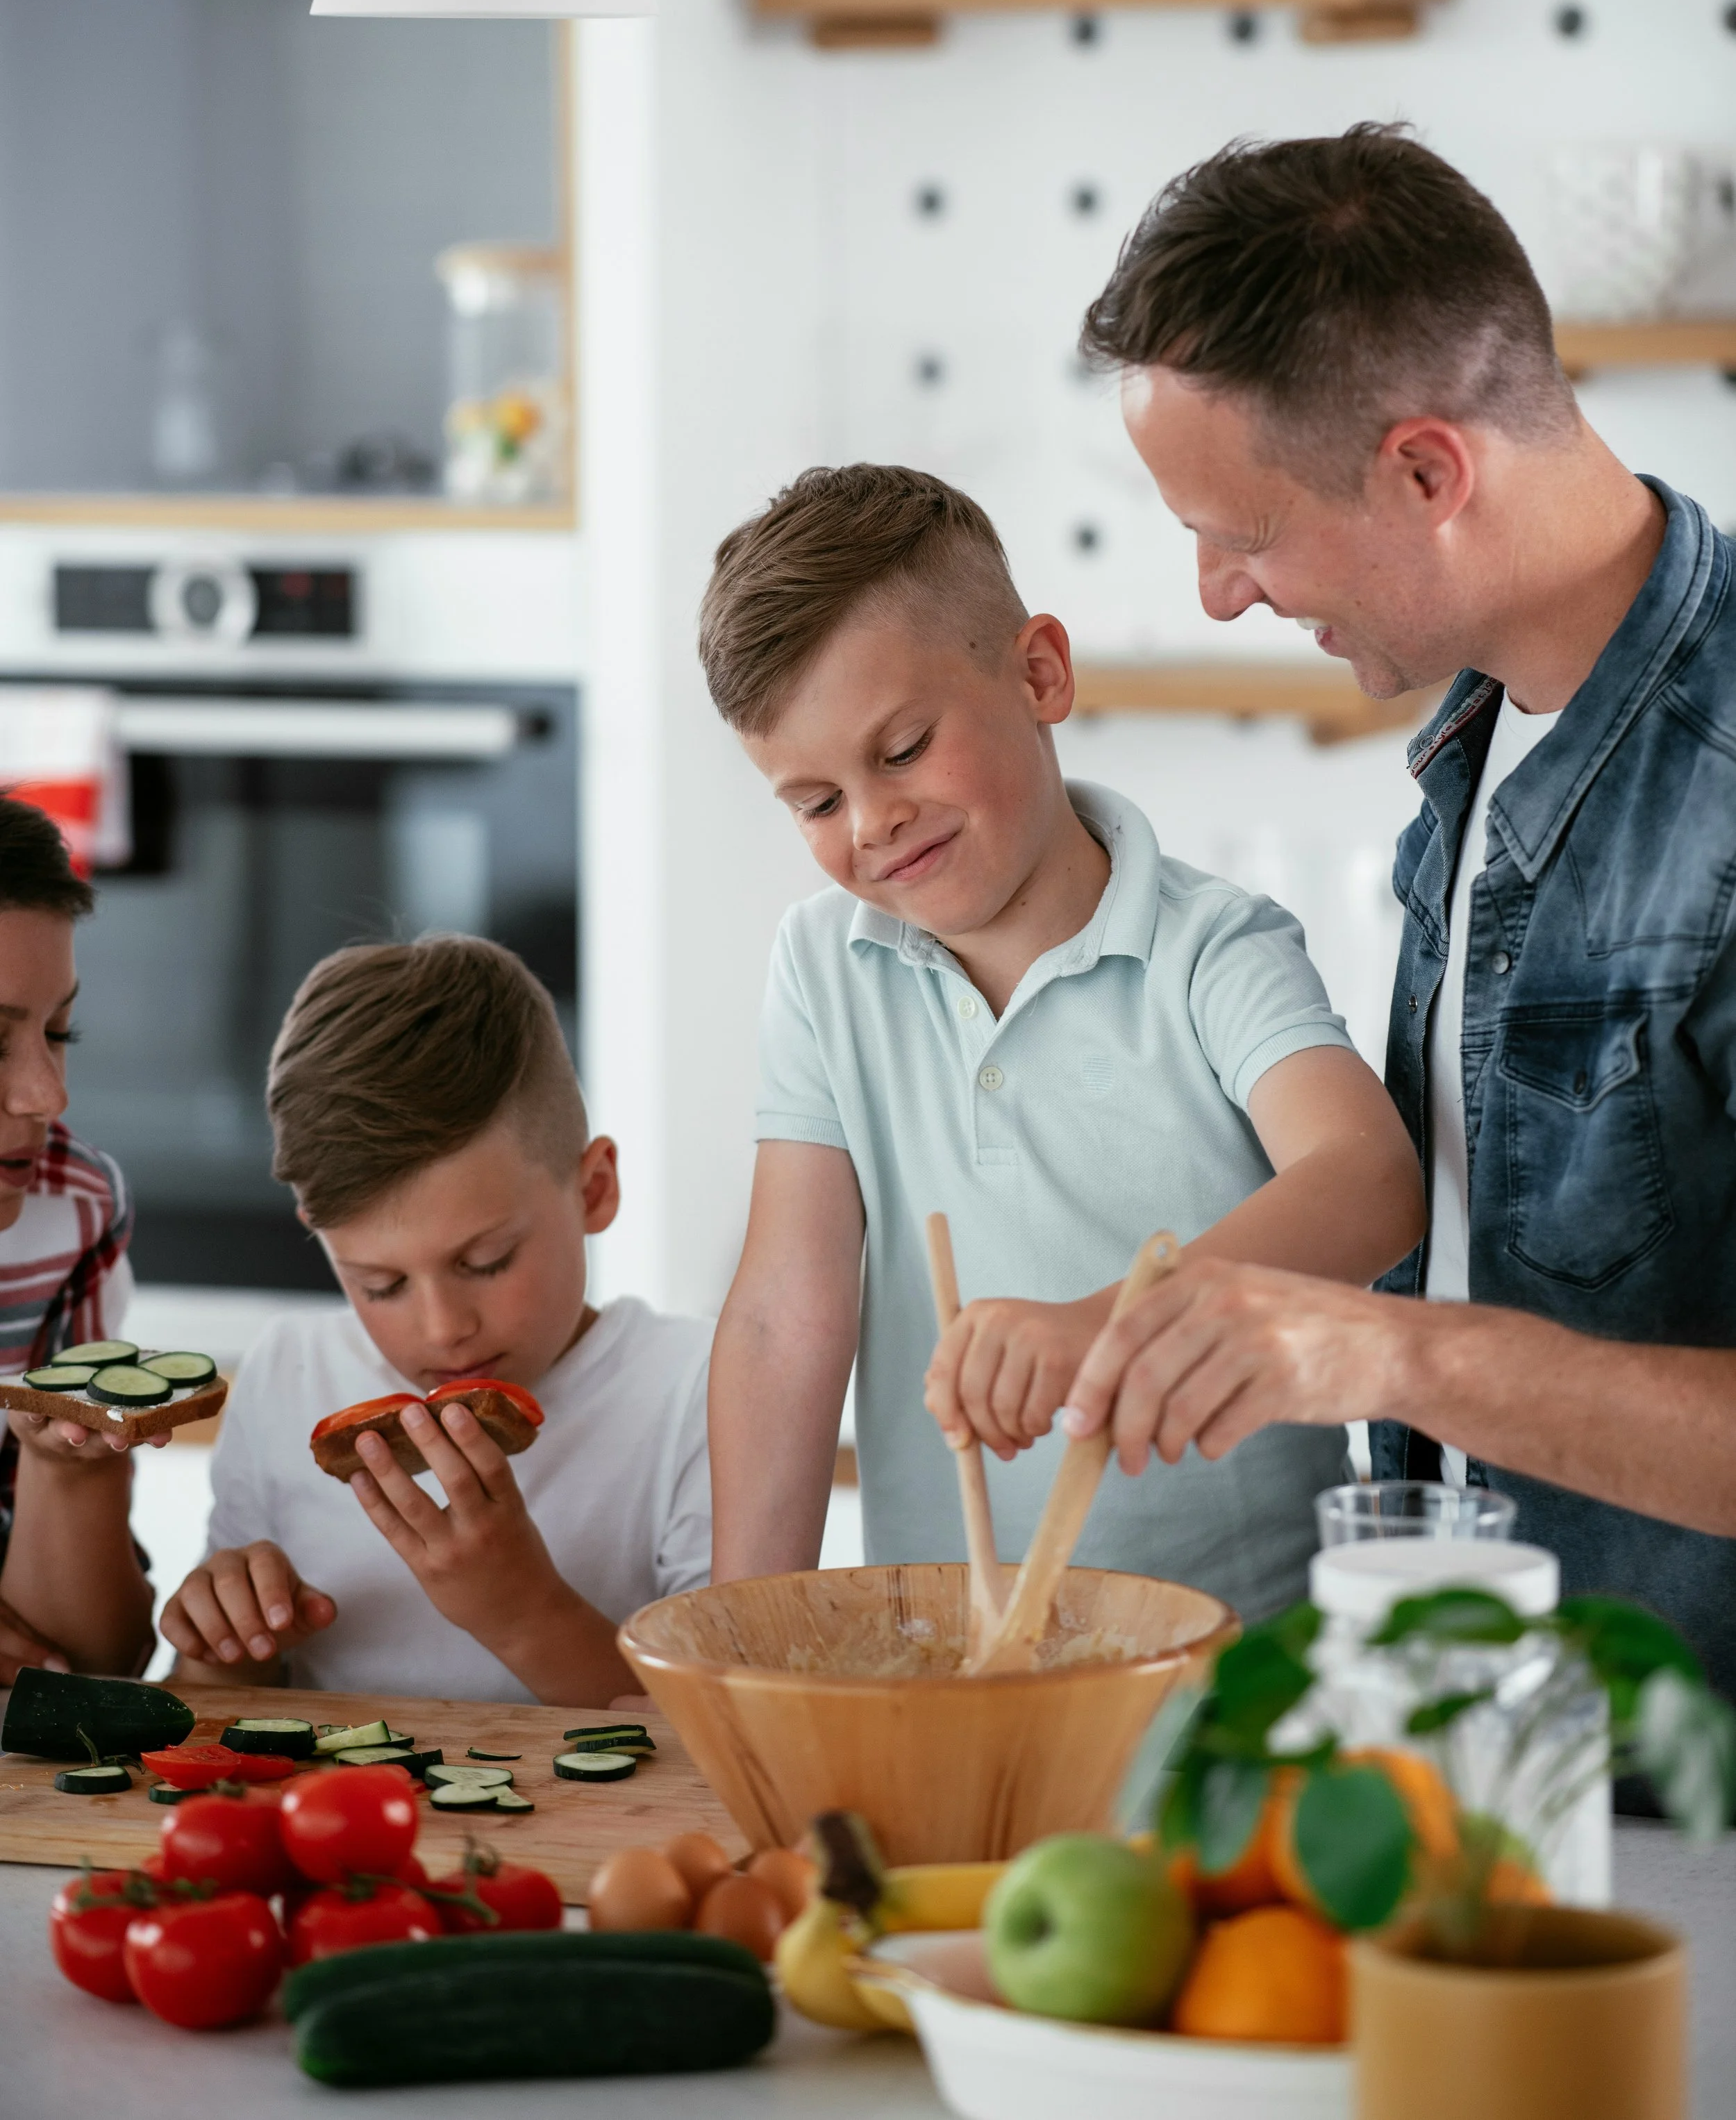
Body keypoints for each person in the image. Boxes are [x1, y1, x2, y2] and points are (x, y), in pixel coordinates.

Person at [1060, 121, 1736, 1700]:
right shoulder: (1480, 735)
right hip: (1510, 1747)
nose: (1222, 592)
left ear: (1427, 468)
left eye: (1245, 534)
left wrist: (1373, 1350)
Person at [701, 463, 1424, 1621]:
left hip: (1237, 1665)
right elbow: (788, 1310)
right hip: (961, 1658)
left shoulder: (1212, 948)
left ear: (1041, 674)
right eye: (816, 803)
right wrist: (736, 1629)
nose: (872, 823)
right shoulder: (820, 967)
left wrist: (1108, 1326)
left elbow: (1371, 1180)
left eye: (901, 751)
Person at [160, 934, 710, 1703]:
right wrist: (227, 1641)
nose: (443, 1328)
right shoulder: (289, 1371)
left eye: (485, 1263)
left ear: (592, 1190)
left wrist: (524, 1612)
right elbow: (224, 1707)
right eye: (379, 1284)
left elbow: (732, 1739)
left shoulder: (700, 1392)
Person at [0, 792, 158, 1681]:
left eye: (60, 1032)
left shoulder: (72, 1211)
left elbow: (96, 1661)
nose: (45, 1096)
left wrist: (67, 1469)